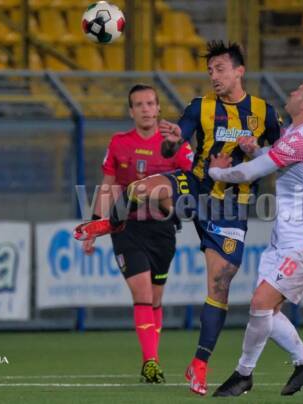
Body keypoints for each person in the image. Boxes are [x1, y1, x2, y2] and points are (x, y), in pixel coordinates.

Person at [74, 41, 282, 395]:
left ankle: (199, 365)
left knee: (220, 286)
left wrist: (256, 152)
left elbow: (280, 155)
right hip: (195, 185)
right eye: (210, 71)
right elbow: (175, 145)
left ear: (238, 71)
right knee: (139, 189)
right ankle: (112, 223)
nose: (214, 76)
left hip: (230, 208)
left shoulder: (265, 112)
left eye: (219, 69)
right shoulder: (200, 107)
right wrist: (171, 141)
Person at [205, 79, 303, 397]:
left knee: (260, 303)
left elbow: (248, 174)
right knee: (267, 310)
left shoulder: (302, 138)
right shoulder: (302, 133)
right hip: (290, 238)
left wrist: (215, 173)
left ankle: (243, 374)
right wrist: (258, 150)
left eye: (296, 92)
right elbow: (280, 159)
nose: (291, 93)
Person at [85, 84, 194, 383]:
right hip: (127, 228)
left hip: (162, 230)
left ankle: (152, 359)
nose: (146, 109)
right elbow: (108, 186)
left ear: (158, 109)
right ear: (131, 111)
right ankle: (150, 361)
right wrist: (95, 225)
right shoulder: (120, 143)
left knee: (156, 299)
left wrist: (163, 199)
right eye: (139, 104)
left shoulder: (174, 144)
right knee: (143, 293)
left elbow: (193, 186)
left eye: (150, 103)